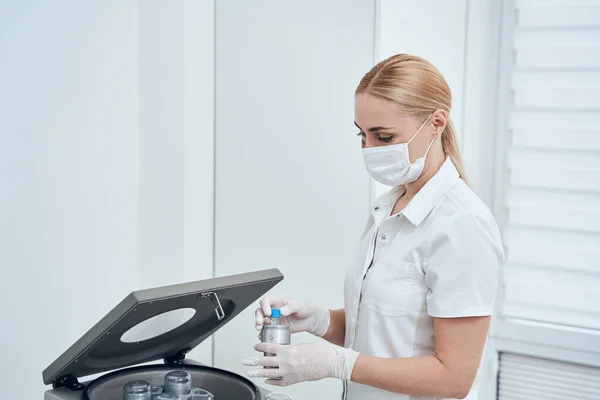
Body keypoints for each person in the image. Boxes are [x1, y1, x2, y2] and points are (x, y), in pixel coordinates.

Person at [243, 54, 504, 400]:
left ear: (436, 123)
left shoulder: (462, 225)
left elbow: (454, 379)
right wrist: (320, 320)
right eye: (362, 135)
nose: (368, 149)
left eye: (383, 137)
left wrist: (337, 363)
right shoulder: (388, 207)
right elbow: (384, 330)